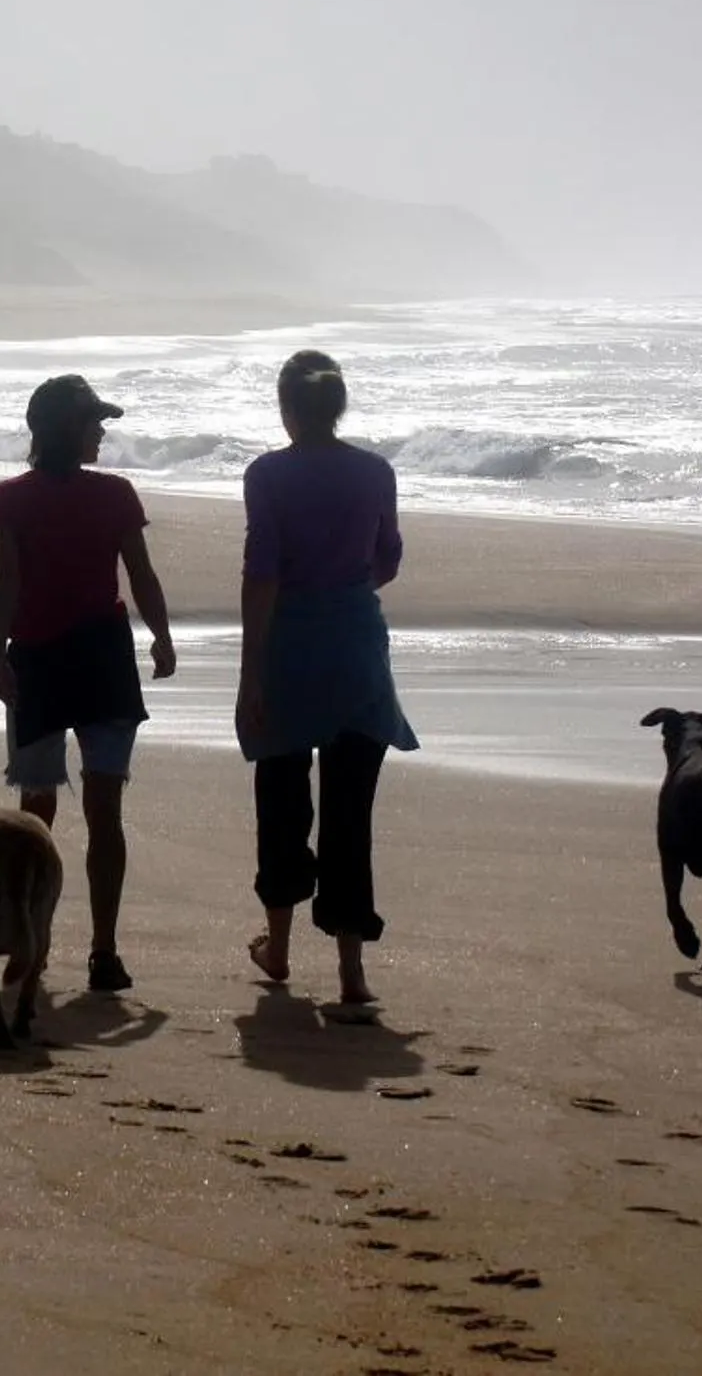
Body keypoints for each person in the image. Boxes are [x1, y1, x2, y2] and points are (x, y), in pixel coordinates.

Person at [235, 349, 418, 1014]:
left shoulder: (267, 475)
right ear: (338, 407)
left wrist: (249, 673)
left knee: (282, 801)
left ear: (286, 409)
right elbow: (387, 558)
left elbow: (262, 572)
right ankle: (349, 970)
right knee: (350, 812)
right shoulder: (375, 471)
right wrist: (345, 588)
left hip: (289, 649)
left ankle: (279, 947)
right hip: (356, 650)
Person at [0, 373, 176, 994]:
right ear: (67, 429)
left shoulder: (9, 498)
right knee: (103, 810)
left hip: (40, 657)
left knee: (36, 813)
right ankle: (102, 951)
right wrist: (161, 635)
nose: (101, 432)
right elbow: (140, 576)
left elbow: (6, 584)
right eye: (93, 423)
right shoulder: (116, 495)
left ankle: (33, 946)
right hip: (100, 659)